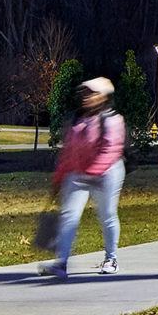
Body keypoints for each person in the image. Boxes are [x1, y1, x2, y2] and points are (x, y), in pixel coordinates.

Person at [38, 76, 126, 279]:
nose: (86, 97)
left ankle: (111, 258)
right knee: (68, 217)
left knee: (107, 215)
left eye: (91, 93)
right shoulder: (76, 120)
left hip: (108, 173)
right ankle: (61, 263)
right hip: (78, 174)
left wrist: (93, 172)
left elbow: (111, 149)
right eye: (84, 93)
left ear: (103, 97)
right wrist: (59, 178)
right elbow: (68, 152)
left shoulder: (112, 120)